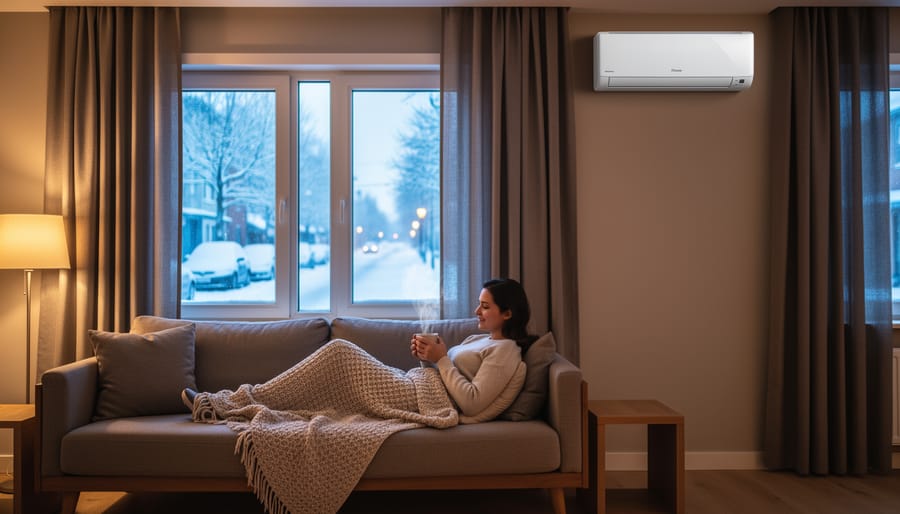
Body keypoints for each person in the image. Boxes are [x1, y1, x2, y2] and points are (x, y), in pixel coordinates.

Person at [182, 277, 535, 422]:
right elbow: (447, 372)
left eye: (485, 307)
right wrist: (430, 358)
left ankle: (228, 401)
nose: (477, 312)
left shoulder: (506, 354)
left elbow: (472, 401)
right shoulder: (481, 341)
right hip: (416, 385)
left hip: (423, 400)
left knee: (338, 353)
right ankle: (229, 401)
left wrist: (441, 359)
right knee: (335, 359)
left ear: (508, 313)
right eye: (478, 304)